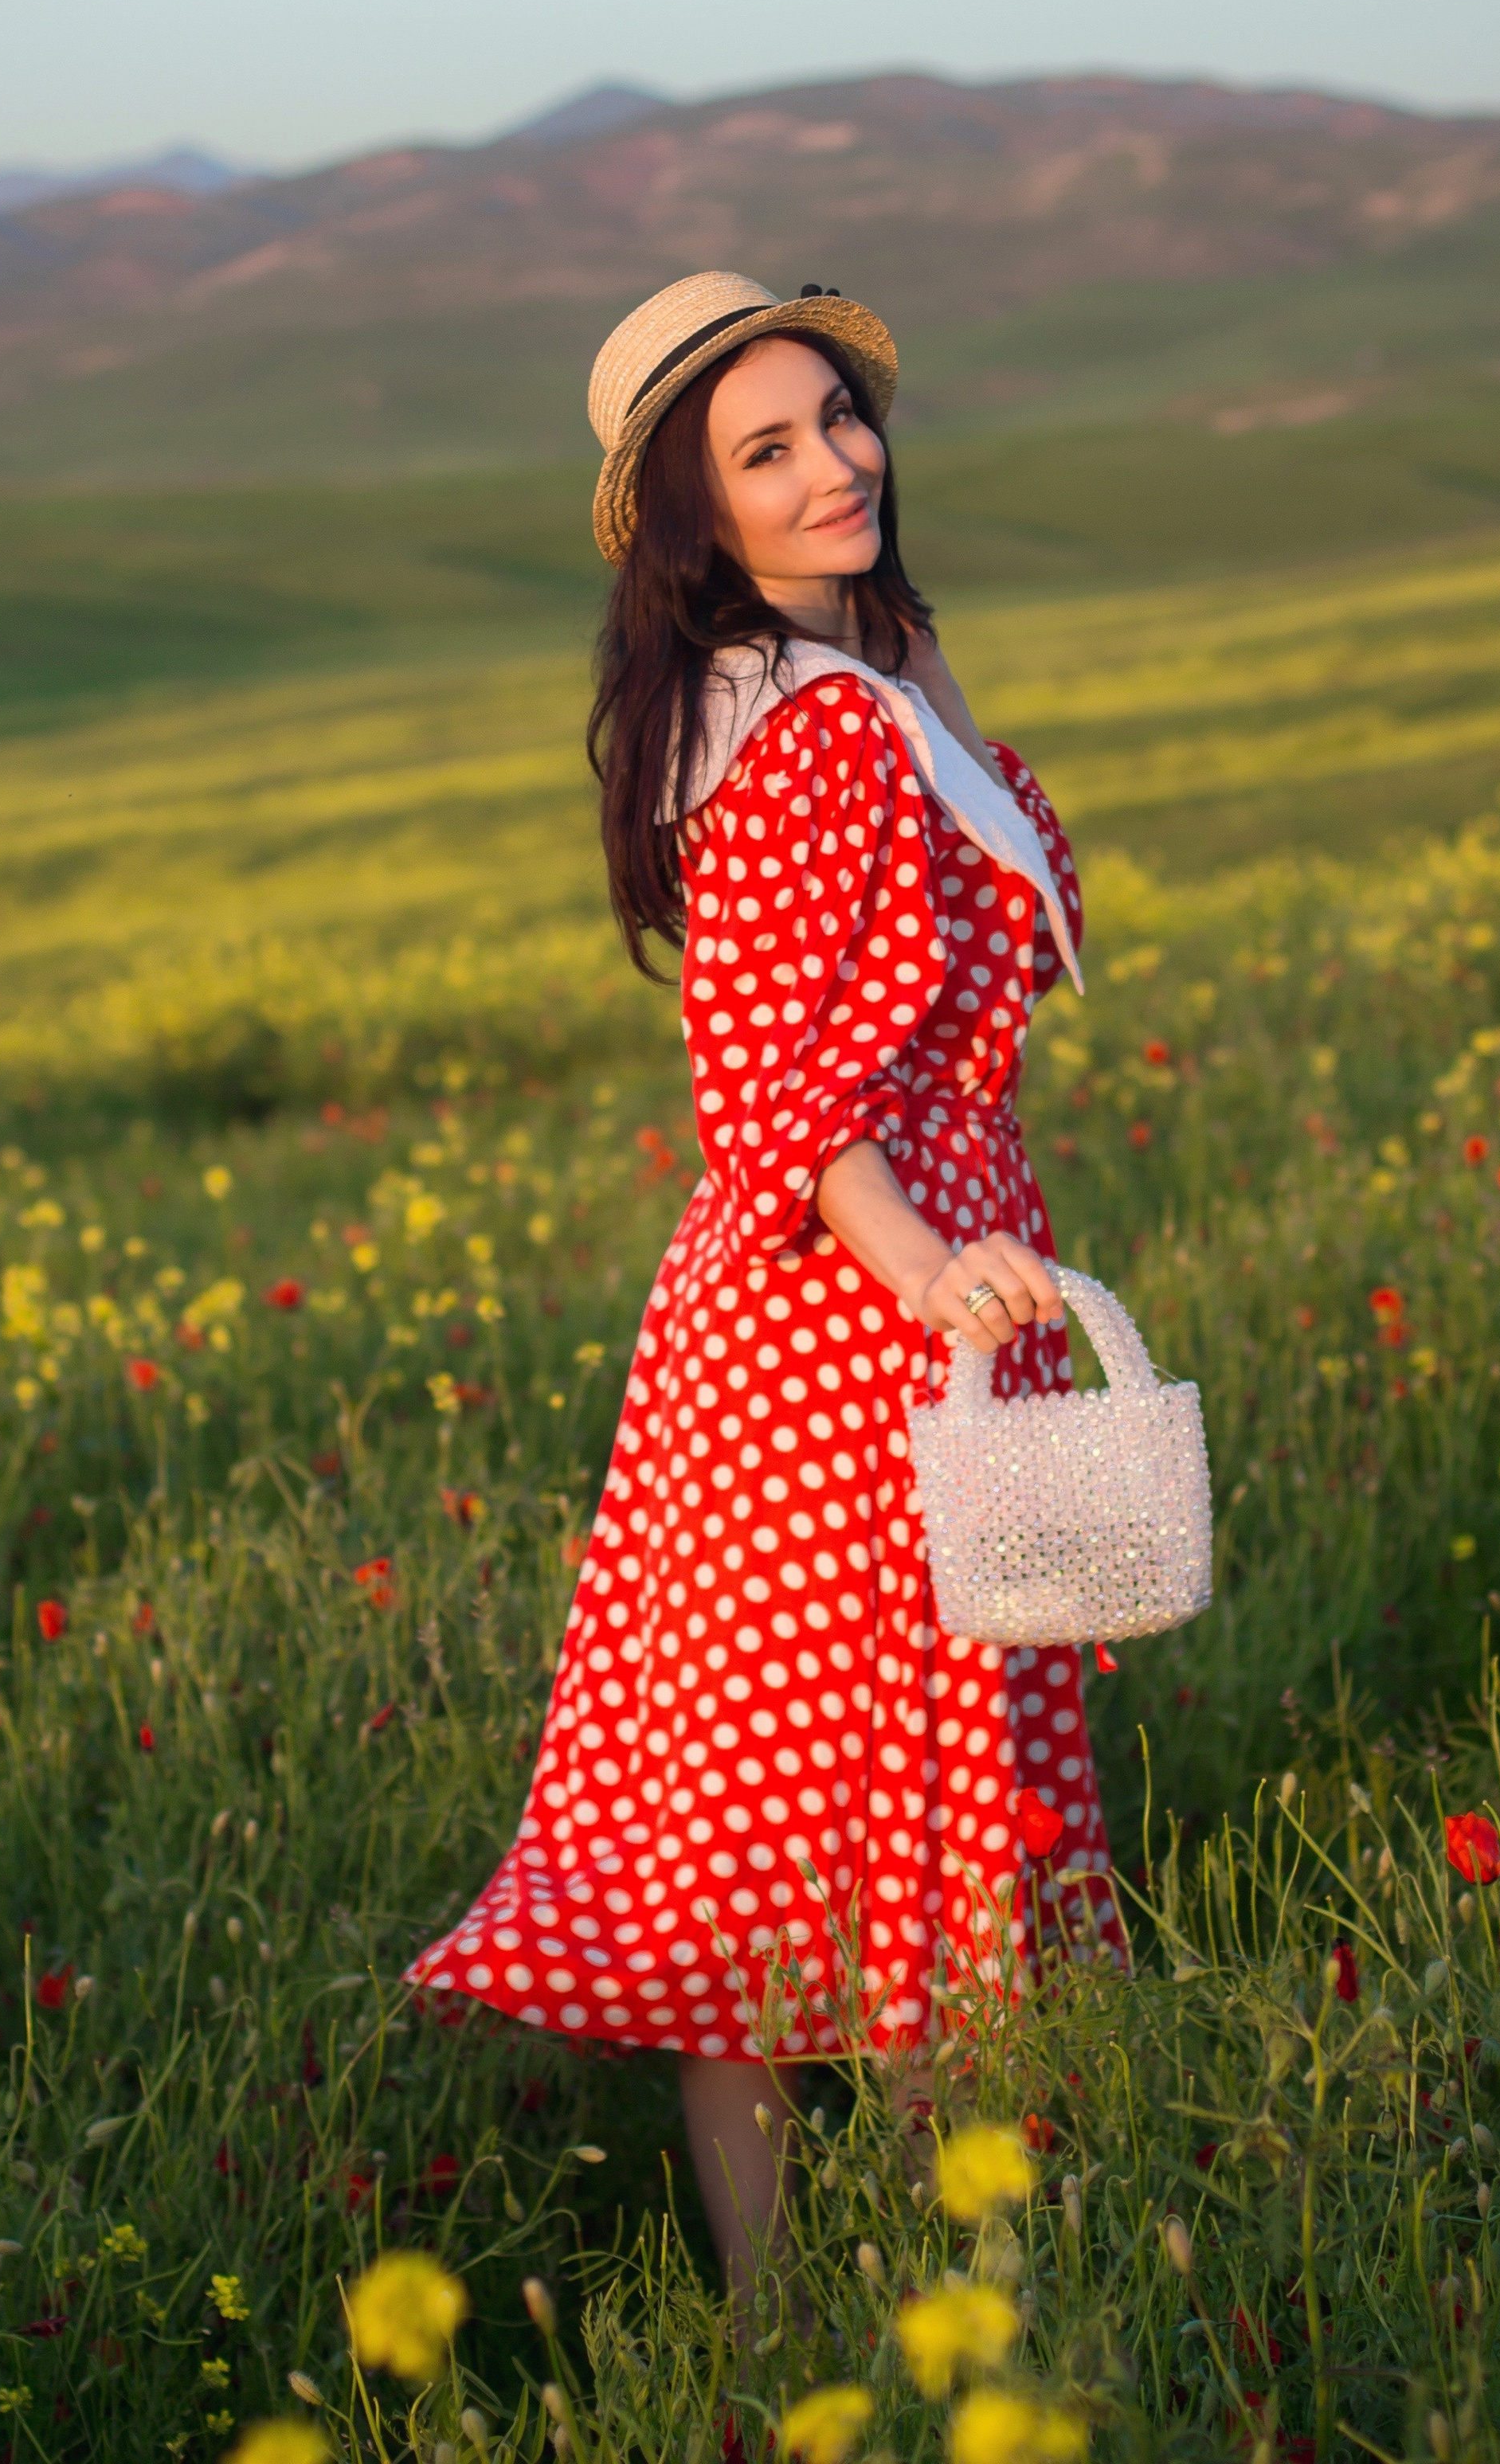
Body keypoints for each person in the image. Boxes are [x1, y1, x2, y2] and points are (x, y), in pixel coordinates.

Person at [406, 271, 1123, 2307]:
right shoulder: (798, 741)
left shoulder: (829, 693)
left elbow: (989, 916)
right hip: (860, 1322)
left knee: (778, 1820)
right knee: (905, 1813)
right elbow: (770, 1095)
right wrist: (933, 1276)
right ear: (689, 522)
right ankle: (925, 2306)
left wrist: (911, 651)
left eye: (839, 419)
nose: (837, 464)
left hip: (838, 1308)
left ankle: (789, 2323)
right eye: (770, 450)